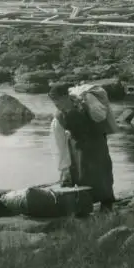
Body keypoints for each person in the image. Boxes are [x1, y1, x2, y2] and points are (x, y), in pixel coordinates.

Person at [49, 83, 116, 212]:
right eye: (54, 102)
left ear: (65, 97)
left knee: (103, 175)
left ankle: (107, 206)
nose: (56, 105)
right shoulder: (59, 117)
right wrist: (64, 168)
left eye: (57, 101)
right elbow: (59, 144)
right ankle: (85, 207)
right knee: (82, 175)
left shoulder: (86, 105)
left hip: (98, 144)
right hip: (79, 149)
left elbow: (101, 117)